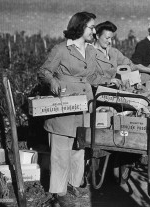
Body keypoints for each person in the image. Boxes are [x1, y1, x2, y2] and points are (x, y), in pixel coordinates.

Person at [38, 12, 97, 206]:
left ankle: (72, 184)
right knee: (61, 149)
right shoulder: (61, 49)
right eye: (91, 27)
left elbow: (94, 76)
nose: (94, 31)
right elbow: (43, 72)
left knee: (78, 148)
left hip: (84, 105)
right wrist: (53, 81)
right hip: (65, 103)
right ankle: (58, 191)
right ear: (80, 27)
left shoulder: (90, 50)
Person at [88, 20, 150, 87]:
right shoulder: (89, 53)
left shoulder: (113, 52)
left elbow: (131, 66)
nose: (110, 41)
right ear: (97, 36)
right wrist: (109, 80)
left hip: (114, 91)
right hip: (98, 92)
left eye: (111, 38)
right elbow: (88, 77)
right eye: (107, 38)